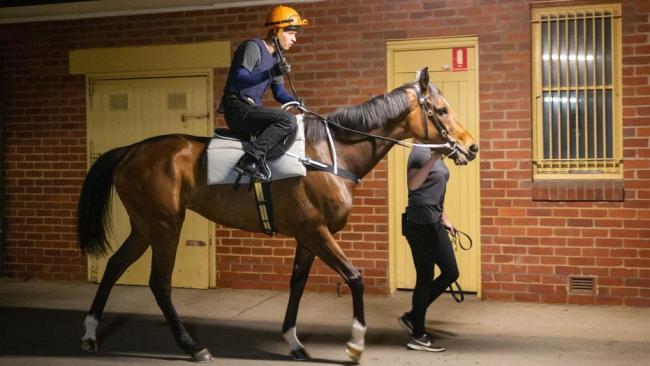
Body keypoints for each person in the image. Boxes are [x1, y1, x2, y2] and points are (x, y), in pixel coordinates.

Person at [218, 5, 307, 182]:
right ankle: (250, 160)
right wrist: (270, 72)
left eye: (295, 34)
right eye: (290, 33)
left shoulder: (276, 59)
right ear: (276, 31)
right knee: (286, 120)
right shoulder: (253, 47)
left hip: (251, 109)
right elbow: (239, 79)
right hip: (237, 107)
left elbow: (279, 93)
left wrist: (295, 101)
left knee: (292, 119)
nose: (294, 39)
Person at [399, 145, 460, 352]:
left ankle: (413, 316)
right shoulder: (418, 152)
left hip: (434, 221)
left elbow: (433, 191)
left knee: (451, 272)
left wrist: (444, 217)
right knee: (425, 277)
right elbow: (413, 185)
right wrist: (433, 158)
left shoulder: (435, 153)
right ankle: (417, 335)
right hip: (419, 224)